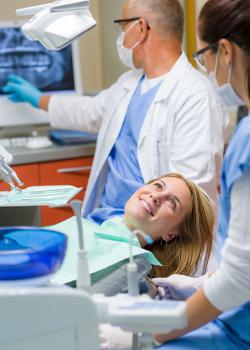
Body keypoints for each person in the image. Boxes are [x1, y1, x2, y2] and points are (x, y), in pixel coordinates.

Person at [95, 1, 250, 350]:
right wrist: (196, 284)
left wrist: (155, 332)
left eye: (206, 56)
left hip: (237, 334)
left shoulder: (244, 140)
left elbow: (240, 278)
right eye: (156, 185)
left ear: (225, 51)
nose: (206, 69)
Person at [3, 0, 228, 224]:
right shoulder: (129, 83)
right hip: (104, 220)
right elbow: (89, 111)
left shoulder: (195, 97)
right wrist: (37, 99)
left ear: (140, 28)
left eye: (122, 27)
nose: (120, 37)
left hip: (149, 236)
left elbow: (191, 196)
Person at [53, 172, 215, 296]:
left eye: (172, 203)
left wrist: (152, 289)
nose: (156, 196)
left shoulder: (134, 266)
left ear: (170, 234)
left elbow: (75, 314)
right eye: (158, 186)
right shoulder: (84, 225)